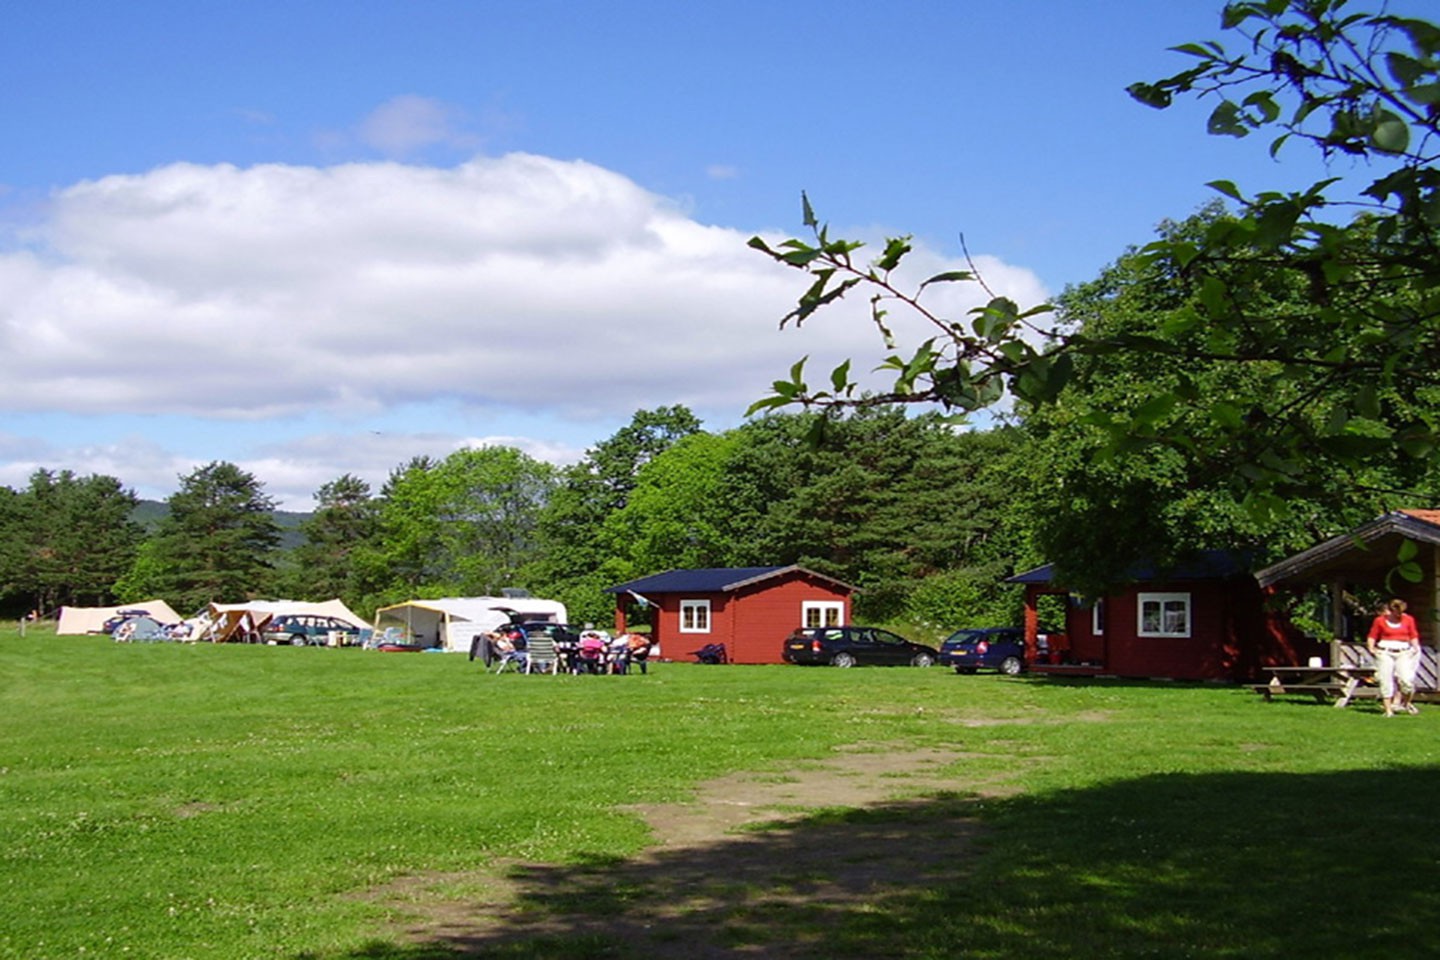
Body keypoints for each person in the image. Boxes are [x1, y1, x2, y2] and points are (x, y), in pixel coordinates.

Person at [1366, 598, 1422, 717]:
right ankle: (1388, 711)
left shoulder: (1408, 620)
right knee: (1385, 679)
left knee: (1406, 680)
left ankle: (1406, 703)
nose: (1399, 614)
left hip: (1404, 652)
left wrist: (1415, 647)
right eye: (1396, 611)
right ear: (1390, 610)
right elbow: (1372, 635)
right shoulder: (1380, 621)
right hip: (1385, 651)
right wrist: (1371, 648)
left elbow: (1413, 635)